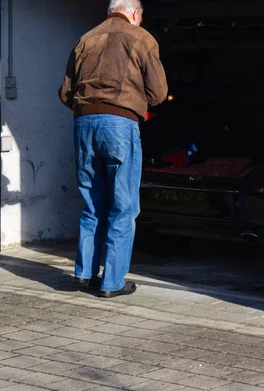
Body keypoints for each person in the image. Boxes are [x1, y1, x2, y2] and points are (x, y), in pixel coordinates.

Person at [58, 0, 168, 298]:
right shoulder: (141, 37)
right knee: (124, 206)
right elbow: (159, 94)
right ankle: (112, 282)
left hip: (83, 123)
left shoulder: (86, 38)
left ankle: (84, 275)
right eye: (141, 17)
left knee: (93, 203)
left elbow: (66, 93)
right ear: (135, 13)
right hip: (119, 126)